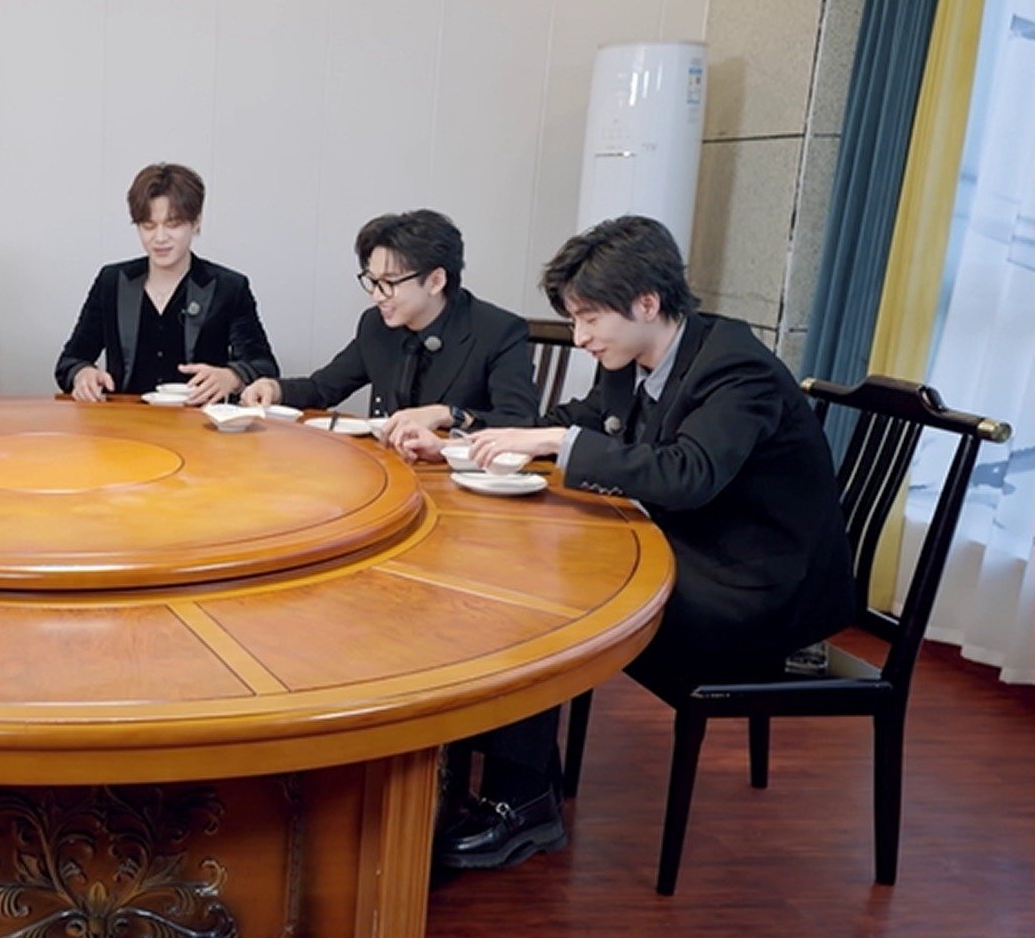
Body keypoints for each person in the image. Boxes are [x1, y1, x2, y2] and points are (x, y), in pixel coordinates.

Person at [403, 215, 857, 870]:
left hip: (756, 591)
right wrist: (461, 441)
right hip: (694, 553)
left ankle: (522, 803)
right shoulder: (637, 354)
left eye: (589, 319)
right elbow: (578, 422)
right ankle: (502, 775)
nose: (580, 337)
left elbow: (688, 475)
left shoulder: (736, 369)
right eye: (575, 320)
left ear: (646, 303)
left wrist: (554, 442)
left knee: (546, 603)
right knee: (517, 573)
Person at [241, 209, 537, 442]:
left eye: (389, 283)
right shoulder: (376, 325)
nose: (377, 295)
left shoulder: (498, 331)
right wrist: (274, 389)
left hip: (459, 476)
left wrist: (448, 415)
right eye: (372, 281)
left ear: (435, 281)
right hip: (391, 466)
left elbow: (521, 423)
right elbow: (323, 388)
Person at [56, 163, 278, 405]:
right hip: (125, 420)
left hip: (200, 421)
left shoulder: (229, 287)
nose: (160, 238)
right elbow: (70, 361)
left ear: (196, 222)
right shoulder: (112, 282)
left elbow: (264, 366)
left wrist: (233, 377)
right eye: (148, 226)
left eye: (173, 225)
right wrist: (82, 374)